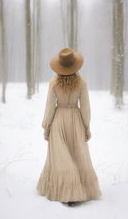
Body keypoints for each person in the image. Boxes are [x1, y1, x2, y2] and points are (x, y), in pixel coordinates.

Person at [36, 47, 102, 207]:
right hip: (76, 121)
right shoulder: (81, 83)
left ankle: (66, 191)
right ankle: (77, 190)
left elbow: (49, 107)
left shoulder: (53, 83)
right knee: (78, 154)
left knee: (60, 157)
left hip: (58, 121)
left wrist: (47, 127)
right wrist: (86, 127)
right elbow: (85, 108)